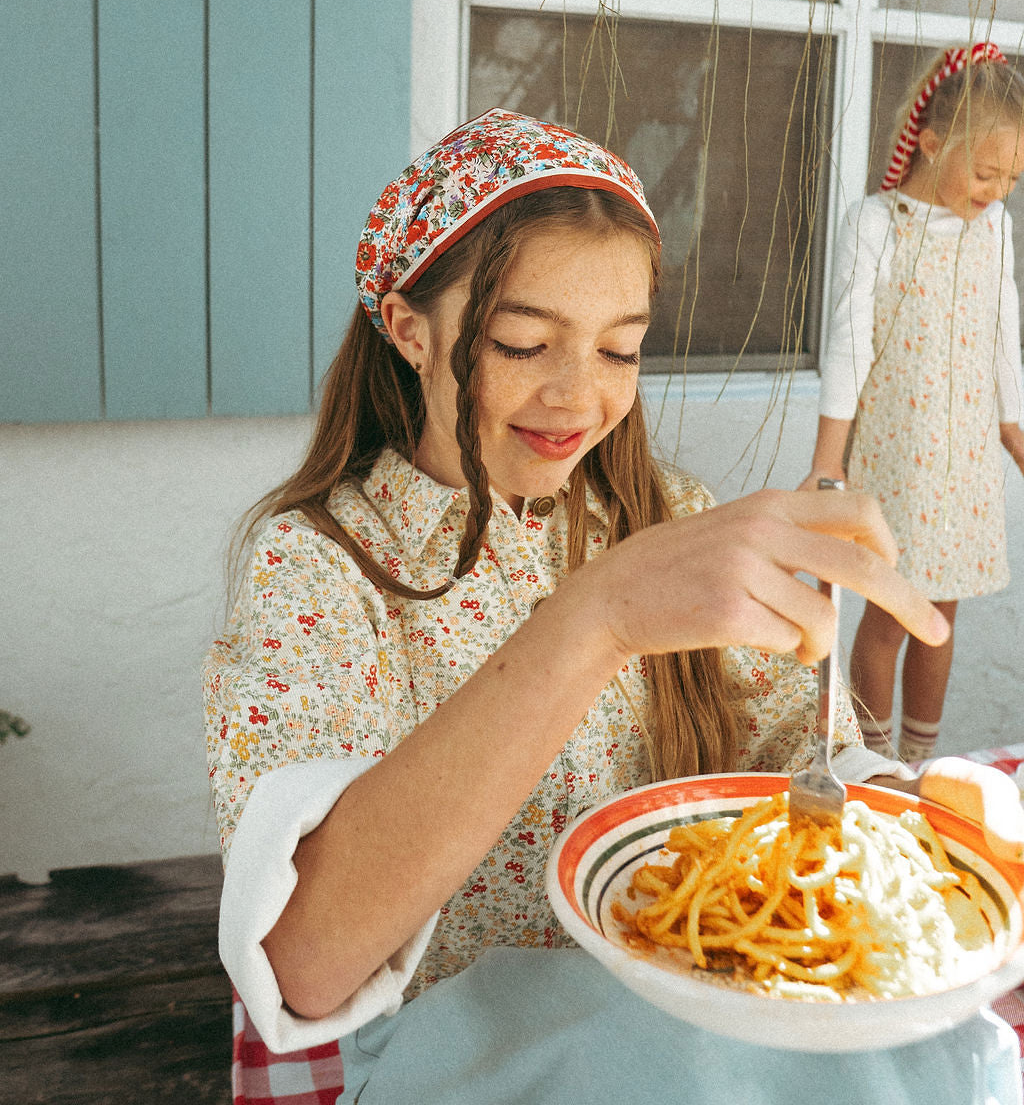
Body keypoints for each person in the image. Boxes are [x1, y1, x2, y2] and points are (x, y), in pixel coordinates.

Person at [204, 109, 1022, 1099]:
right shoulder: (317, 570)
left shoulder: (670, 515)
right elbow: (304, 962)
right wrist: (593, 619)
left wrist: (918, 825)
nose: (576, 396)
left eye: (620, 351)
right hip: (463, 1057)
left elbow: (798, 762)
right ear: (411, 330)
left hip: (724, 1025)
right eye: (521, 343)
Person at [802, 42, 1024, 765]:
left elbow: (1004, 333)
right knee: (890, 611)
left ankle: (921, 759)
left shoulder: (994, 228)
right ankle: (874, 762)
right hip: (898, 455)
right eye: (986, 172)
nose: (999, 190)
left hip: (964, 459)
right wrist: (827, 461)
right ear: (930, 144)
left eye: (1012, 177)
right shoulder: (877, 222)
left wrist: (1013, 429)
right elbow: (848, 344)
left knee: (940, 614)